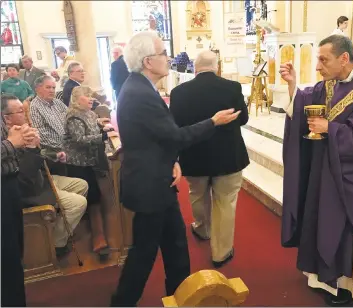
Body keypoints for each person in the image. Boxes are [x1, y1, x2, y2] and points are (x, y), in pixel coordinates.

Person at [111, 31, 241, 306]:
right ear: (148, 61)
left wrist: (174, 162)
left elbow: (157, 137)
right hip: (149, 185)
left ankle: (181, 297)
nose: (168, 58)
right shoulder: (140, 93)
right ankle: (122, 302)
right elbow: (176, 136)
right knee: (144, 252)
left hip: (157, 178)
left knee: (176, 247)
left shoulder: (139, 86)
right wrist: (213, 122)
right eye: (162, 53)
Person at [279, 35, 353, 306]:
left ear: (344, 59)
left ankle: (348, 284)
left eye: (323, 60)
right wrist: (293, 85)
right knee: (322, 219)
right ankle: (324, 276)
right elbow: (306, 100)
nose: (318, 67)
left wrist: (330, 129)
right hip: (327, 172)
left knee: (344, 229)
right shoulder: (330, 85)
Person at [169, 50, 249, 268]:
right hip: (228, 156)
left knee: (197, 194)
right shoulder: (232, 88)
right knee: (225, 202)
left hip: (194, 155)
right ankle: (221, 253)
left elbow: (174, 126)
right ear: (217, 66)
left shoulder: (178, 93)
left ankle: (202, 229)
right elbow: (243, 119)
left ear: (195, 68)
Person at [2, 94, 88, 257]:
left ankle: (60, 228)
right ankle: (54, 244)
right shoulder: (9, 141)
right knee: (78, 203)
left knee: (82, 185)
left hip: (41, 180)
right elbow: (24, 181)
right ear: (7, 119)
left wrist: (54, 156)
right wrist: (32, 149)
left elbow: (39, 157)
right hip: (31, 190)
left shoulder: (22, 131)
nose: (26, 114)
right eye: (21, 111)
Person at [64, 86, 117, 255]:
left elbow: (91, 125)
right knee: (91, 194)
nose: (91, 99)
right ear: (78, 99)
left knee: (94, 192)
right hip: (78, 162)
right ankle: (96, 234)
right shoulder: (73, 116)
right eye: (87, 96)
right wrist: (103, 136)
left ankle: (96, 223)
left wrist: (100, 125)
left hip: (89, 160)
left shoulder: (88, 112)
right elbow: (79, 139)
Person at [1, 104, 37, 307]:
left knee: (14, 258)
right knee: (7, 260)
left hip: (9, 185)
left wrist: (24, 144)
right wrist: (10, 143)